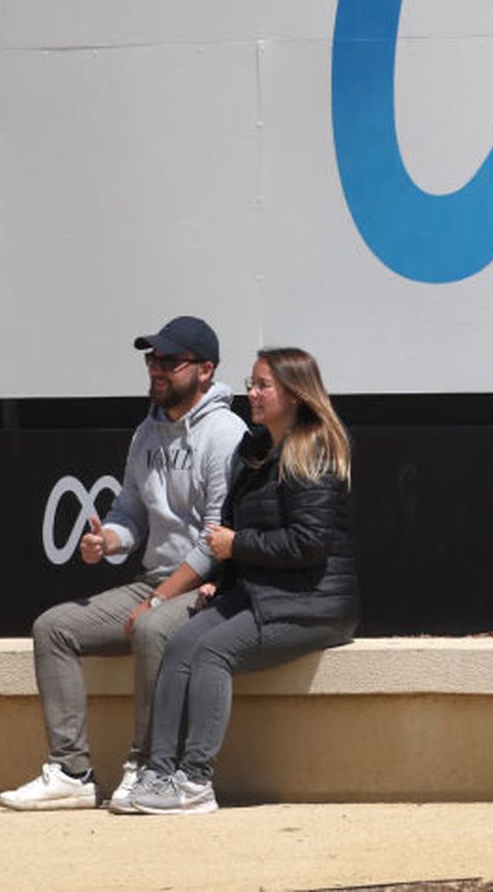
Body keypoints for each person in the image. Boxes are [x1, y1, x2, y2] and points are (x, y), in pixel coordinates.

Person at [0, 315, 246, 813]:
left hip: (208, 587)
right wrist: (108, 540)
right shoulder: (145, 432)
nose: (157, 369)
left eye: (170, 362)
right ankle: (71, 772)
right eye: (153, 360)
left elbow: (214, 542)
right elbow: (130, 512)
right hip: (153, 581)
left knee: (153, 628)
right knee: (54, 628)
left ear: (204, 370)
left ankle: (146, 767)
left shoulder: (226, 433)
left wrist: (159, 597)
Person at [128, 346, 360, 814]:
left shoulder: (312, 449)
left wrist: (236, 548)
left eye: (262, 386)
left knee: (211, 653)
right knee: (181, 642)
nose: (251, 394)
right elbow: (235, 529)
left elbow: (307, 543)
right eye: (251, 383)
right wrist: (225, 574)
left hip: (312, 605)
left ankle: (195, 781)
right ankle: (157, 772)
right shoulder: (254, 450)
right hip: (261, 593)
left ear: (295, 394)